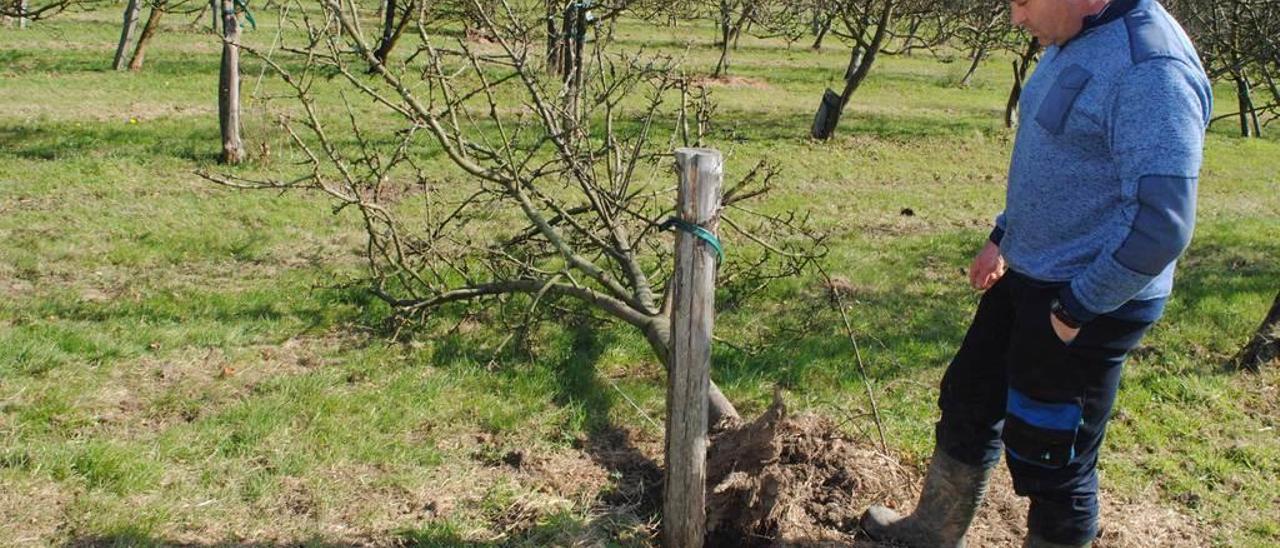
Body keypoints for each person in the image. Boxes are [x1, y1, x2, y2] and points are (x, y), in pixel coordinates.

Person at [859, 0, 1213, 546]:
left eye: (1023, 1)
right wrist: (1004, 235)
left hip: (1089, 296)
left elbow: (1160, 225)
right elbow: (1058, 160)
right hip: (1030, 274)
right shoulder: (1072, 34)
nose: (1015, 19)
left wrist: (1076, 308)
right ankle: (931, 531)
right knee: (969, 402)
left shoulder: (1152, 69)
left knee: (1052, 456)